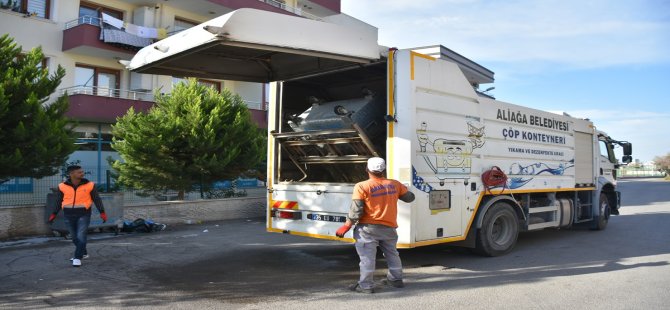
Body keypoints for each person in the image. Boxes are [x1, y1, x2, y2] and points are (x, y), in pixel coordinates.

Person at [336, 157, 415, 293]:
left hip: (368, 229)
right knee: (392, 254)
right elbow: (410, 198)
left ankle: (366, 286)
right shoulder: (394, 184)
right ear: (384, 170)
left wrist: (347, 225)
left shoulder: (362, 186)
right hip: (389, 228)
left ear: (367, 169)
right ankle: (396, 280)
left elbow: (356, 211)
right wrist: (404, 189)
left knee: (367, 257)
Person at [48, 165, 106, 267]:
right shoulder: (62, 186)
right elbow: (59, 201)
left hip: (83, 214)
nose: (82, 173)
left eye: (82, 171)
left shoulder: (90, 185)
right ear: (71, 174)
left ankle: (77, 257)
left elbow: (97, 199)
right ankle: (83, 253)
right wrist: (54, 214)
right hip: (68, 214)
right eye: (79, 172)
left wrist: (102, 212)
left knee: (81, 236)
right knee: (74, 237)